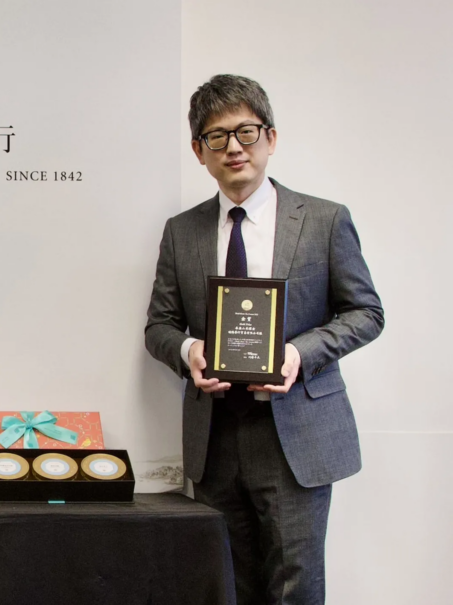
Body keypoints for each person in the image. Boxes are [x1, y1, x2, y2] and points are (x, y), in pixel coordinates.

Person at [144, 74, 383, 604]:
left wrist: (298, 354)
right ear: (198, 151)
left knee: (296, 585)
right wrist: (189, 351)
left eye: (246, 132)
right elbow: (159, 326)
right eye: (217, 136)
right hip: (215, 435)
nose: (234, 147)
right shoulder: (182, 231)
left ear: (270, 138)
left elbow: (366, 312)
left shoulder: (324, 220)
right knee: (228, 585)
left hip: (295, 432)